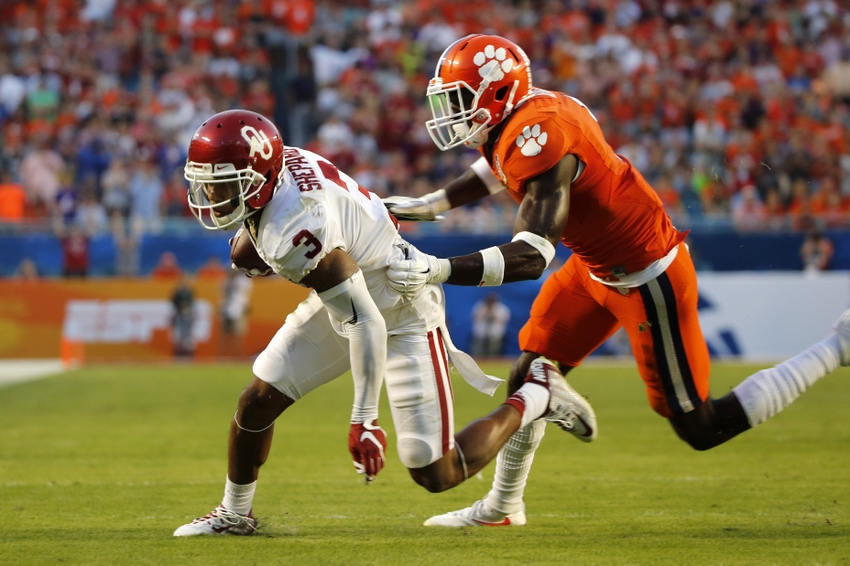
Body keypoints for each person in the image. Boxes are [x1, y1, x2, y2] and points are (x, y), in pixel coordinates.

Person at [384, 34, 850, 527]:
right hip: (594, 268)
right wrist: (433, 204)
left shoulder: (542, 135)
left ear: (496, 95)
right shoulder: (527, 118)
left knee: (701, 425)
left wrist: (439, 267)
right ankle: (503, 507)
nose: (450, 112)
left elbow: (531, 255)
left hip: (648, 278)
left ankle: (838, 346)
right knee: (528, 373)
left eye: (459, 100)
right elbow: (499, 162)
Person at [172, 109, 596, 536]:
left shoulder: (293, 231)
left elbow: (365, 322)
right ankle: (234, 513)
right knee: (258, 399)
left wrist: (364, 419)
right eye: (207, 179)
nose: (211, 192)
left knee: (435, 471)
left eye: (224, 181)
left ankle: (535, 395)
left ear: (260, 176)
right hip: (352, 287)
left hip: (399, 306)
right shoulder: (283, 166)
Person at [470, 292, 511, 357]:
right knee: (478, 350)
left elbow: (503, 320)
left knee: (493, 351)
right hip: (481, 333)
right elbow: (475, 317)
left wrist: (492, 313)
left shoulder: (501, 308)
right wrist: (487, 312)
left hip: (495, 334)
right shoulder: (480, 307)